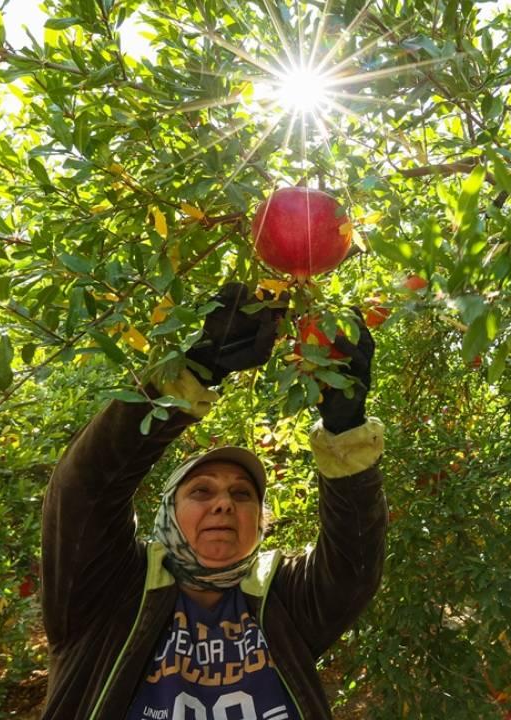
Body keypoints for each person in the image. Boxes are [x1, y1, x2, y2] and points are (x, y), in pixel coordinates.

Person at [39, 282, 387, 720]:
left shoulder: (284, 600)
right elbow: (84, 487)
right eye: (201, 491)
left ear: (260, 522)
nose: (224, 504)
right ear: (167, 512)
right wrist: (191, 371)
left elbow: (354, 562)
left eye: (242, 495)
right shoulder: (107, 590)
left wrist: (347, 430)